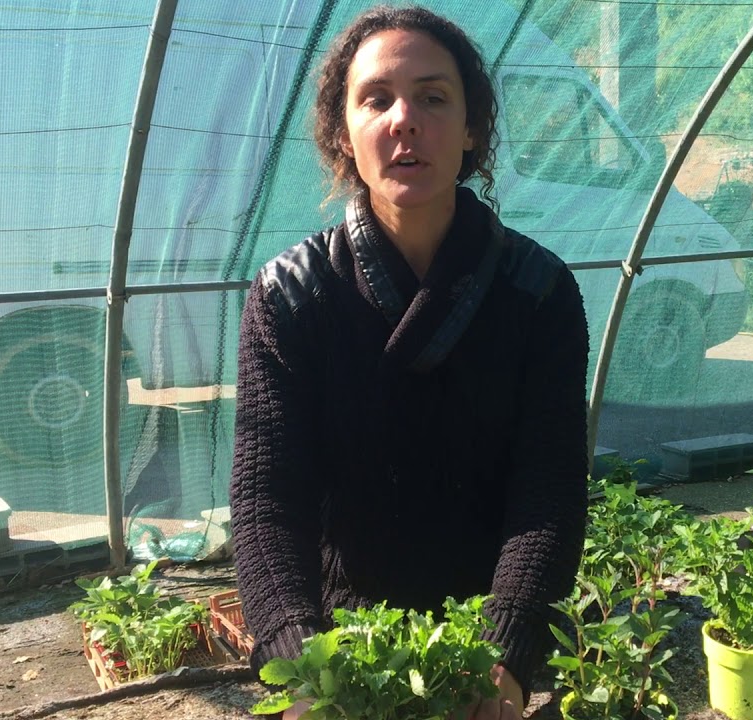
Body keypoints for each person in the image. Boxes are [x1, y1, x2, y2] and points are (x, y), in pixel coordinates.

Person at [229, 6, 589, 719]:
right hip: (343, 645)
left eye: (433, 96)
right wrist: (301, 659)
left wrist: (504, 656)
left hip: (479, 649)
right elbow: (268, 500)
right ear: (342, 132)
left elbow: (548, 492)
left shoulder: (537, 291)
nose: (405, 120)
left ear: (473, 127)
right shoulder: (292, 296)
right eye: (376, 99)